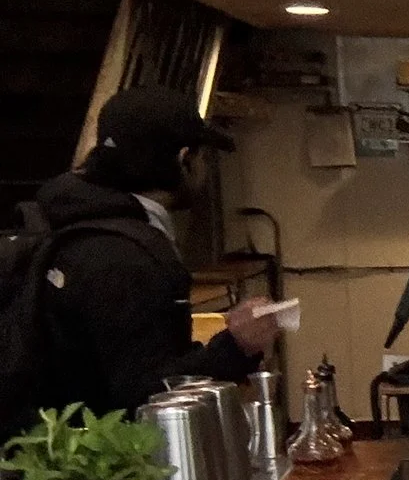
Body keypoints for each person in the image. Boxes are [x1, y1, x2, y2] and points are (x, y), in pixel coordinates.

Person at [16, 86, 276, 424]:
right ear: (184, 159)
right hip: (102, 453)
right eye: (202, 157)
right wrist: (236, 346)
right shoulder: (127, 256)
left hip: (55, 446)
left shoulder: (69, 221)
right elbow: (146, 397)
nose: (204, 169)